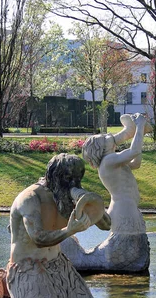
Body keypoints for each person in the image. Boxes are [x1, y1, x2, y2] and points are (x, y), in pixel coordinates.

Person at [2, 153, 98, 298]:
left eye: (78, 179)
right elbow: (38, 238)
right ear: (54, 176)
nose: (74, 185)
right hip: (28, 266)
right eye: (68, 178)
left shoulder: (64, 196)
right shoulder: (30, 198)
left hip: (59, 265)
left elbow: (105, 224)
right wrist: (69, 231)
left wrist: (94, 204)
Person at [62, 113, 150, 274]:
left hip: (127, 208)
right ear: (100, 147)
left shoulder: (113, 160)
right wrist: (139, 126)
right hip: (123, 210)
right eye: (105, 137)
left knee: (132, 241)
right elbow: (133, 151)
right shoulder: (108, 162)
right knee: (128, 243)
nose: (110, 136)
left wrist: (140, 132)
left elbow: (135, 162)